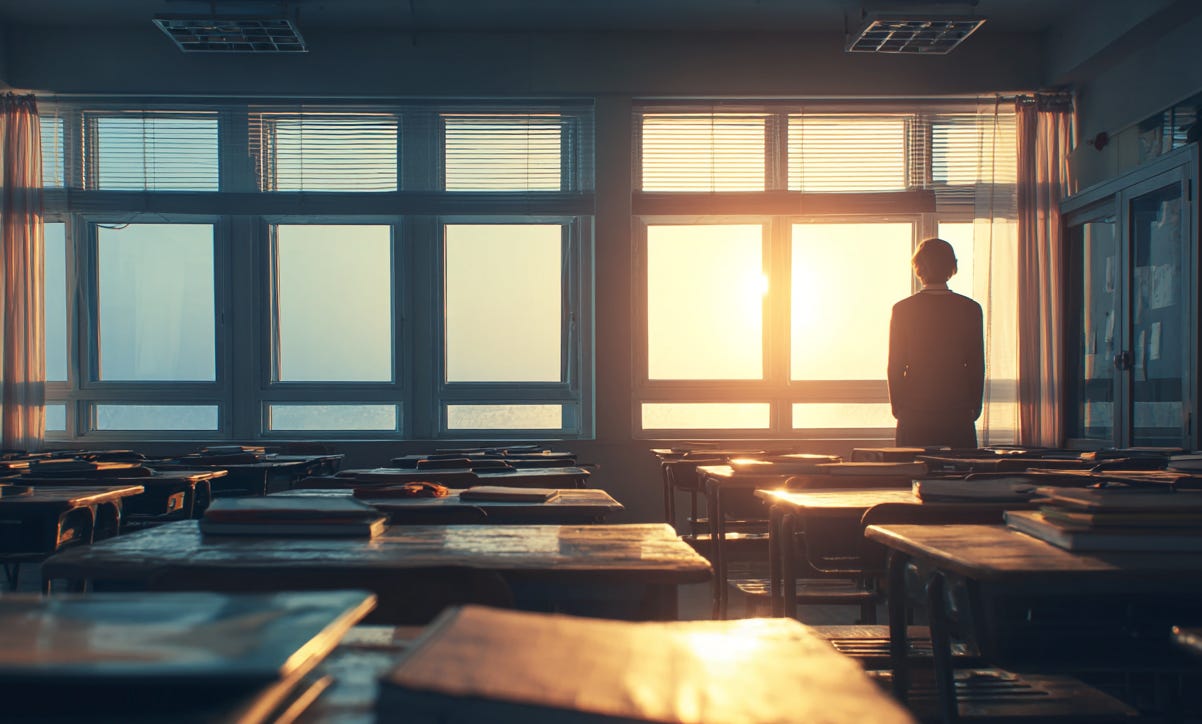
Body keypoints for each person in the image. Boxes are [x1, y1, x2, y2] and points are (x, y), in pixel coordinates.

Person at [887, 238, 984, 449]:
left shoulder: (902, 310)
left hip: (914, 412)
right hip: (957, 411)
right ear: (952, 267)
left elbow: (895, 365)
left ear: (918, 268)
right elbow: (976, 364)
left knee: (913, 473)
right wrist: (974, 407)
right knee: (960, 477)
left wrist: (899, 408)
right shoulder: (970, 308)